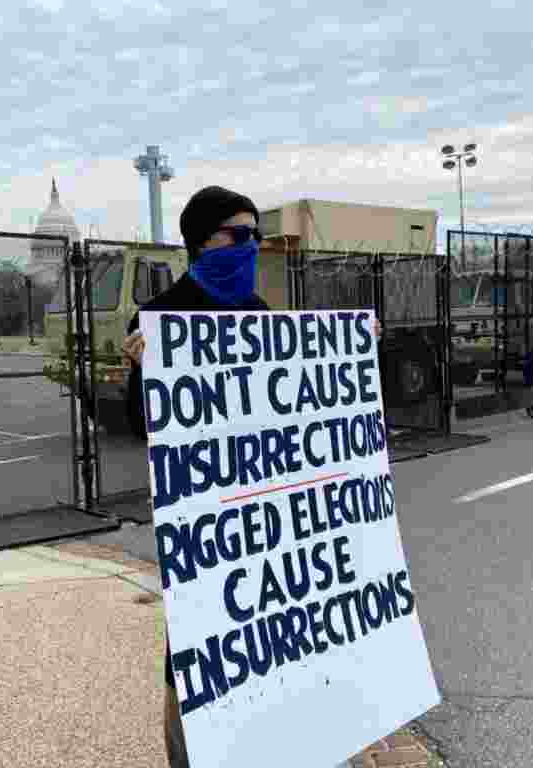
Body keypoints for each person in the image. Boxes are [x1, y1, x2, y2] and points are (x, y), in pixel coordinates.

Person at [122, 185, 379, 768]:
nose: (251, 246)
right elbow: (144, 426)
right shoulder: (159, 319)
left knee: (270, 641)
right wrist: (142, 373)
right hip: (207, 523)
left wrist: (353, 355)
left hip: (267, 514)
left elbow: (297, 411)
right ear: (200, 243)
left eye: (256, 236)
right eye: (237, 235)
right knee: (199, 652)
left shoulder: (261, 316)